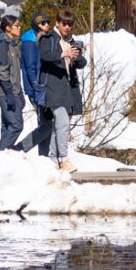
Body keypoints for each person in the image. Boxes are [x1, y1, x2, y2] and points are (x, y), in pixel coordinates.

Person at [36, 13, 86, 161]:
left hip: (68, 89)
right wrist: (63, 53)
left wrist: (77, 57)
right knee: (62, 123)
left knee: (57, 126)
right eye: (64, 24)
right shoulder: (49, 38)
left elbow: (82, 64)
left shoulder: (70, 41)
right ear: (57, 23)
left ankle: (53, 158)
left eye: (70, 25)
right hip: (52, 86)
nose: (67, 27)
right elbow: (45, 55)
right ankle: (63, 158)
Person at [0, 10, 32, 153]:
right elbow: (2, 71)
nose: (19, 28)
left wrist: (19, 93)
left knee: (8, 126)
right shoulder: (3, 44)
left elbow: (16, 72)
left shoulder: (13, 44)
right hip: (6, 92)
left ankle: (3, 161)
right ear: (8, 28)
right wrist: (10, 94)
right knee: (16, 126)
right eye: (16, 25)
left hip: (14, 91)